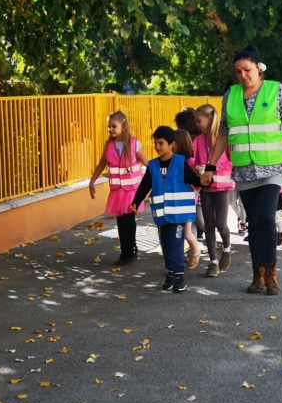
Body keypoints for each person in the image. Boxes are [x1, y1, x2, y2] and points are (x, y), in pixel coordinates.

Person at [200, 46, 282, 296]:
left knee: (266, 218)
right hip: (244, 170)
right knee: (253, 223)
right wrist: (210, 166)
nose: (242, 75)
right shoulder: (231, 95)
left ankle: (271, 274)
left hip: (272, 168)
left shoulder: (276, 90)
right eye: (238, 72)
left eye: (247, 70)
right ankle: (257, 274)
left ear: (258, 68)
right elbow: (224, 133)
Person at [129, 126, 207, 293]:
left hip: (178, 215)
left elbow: (193, 180)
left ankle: (179, 276)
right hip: (162, 216)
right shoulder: (152, 165)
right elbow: (145, 186)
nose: (157, 147)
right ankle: (171, 273)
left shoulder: (180, 162)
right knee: (166, 245)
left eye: (161, 143)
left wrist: (204, 181)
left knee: (176, 244)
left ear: (172, 144)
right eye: (155, 143)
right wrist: (135, 201)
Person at [89, 111, 148, 265]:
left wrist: (157, 180)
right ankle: (125, 251)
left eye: (114, 126)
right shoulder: (108, 145)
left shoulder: (134, 144)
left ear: (124, 126)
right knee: (121, 222)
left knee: (129, 221)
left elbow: (147, 163)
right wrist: (92, 181)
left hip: (132, 192)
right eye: (109, 126)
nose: (110, 129)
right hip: (117, 192)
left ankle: (131, 249)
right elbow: (102, 164)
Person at [193, 104, 235, 278]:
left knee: (221, 224)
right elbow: (194, 160)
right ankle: (213, 262)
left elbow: (232, 161)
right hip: (206, 188)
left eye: (199, 120)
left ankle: (227, 248)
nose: (197, 124)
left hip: (223, 187)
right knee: (208, 225)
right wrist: (198, 167)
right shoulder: (198, 140)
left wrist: (212, 167)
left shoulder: (224, 138)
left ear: (209, 118)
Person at [172, 130, 202, 270]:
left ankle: (195, 251)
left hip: (187, 200)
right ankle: (180, 257)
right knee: (179, 231)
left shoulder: (189, 162)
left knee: (185, 231)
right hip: (177, 199)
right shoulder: (175, 160)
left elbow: (194, 182)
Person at [175, 108, 205, 239]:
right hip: (192, 185)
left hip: (196, 183)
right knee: (192, 219)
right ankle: (194, 244)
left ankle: (212, 238)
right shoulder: (188, 139)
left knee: (199, 218)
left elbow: (195, 161)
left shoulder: (196, 140)